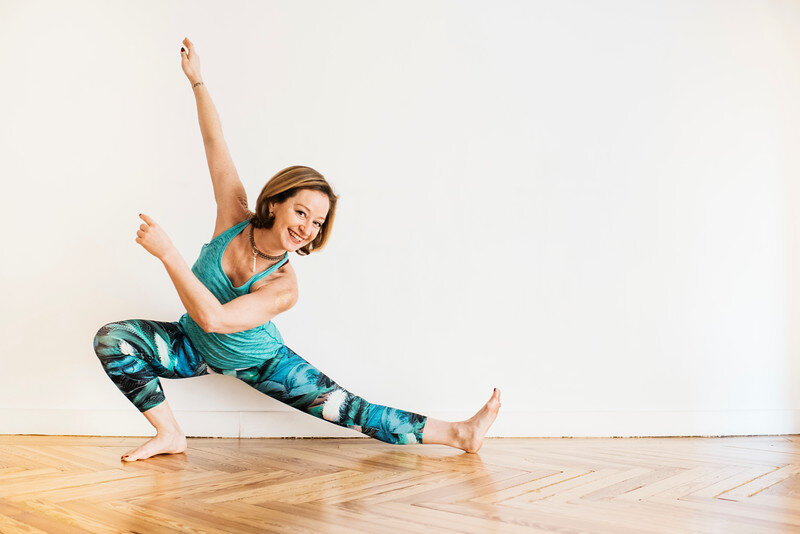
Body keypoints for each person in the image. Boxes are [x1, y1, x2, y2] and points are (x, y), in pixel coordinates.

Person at [93, 37, 501, 462]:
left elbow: (215, 318)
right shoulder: (233, 217)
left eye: (318, 222)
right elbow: (215, 143)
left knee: (351, 409)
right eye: (302, 213)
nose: (308, 228)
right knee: (113, 340)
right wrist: (197, 81)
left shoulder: (284, 286)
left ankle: (459, 434)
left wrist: (168, 254)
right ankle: (171, 434)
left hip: (261, 362)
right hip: (192, 347)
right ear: (274, 203)